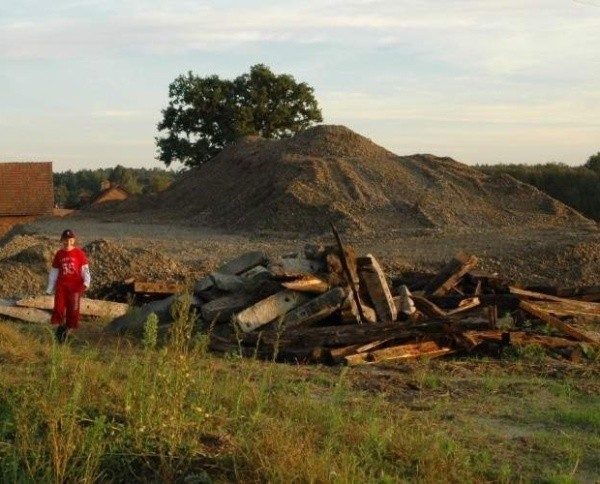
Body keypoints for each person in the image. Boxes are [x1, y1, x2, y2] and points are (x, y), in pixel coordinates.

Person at [46, 229, 91, 343]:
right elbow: (54, 271)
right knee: (59, 309)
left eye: (70, 240)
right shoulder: (59, 254)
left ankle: (67, 331)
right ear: (62, 240)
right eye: (65, 240)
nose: (68, 242)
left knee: (73, 311)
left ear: (74, 240)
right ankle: (60, 330)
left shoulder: (79, 253)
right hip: (62, 286)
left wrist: (87, 282)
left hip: (75, 287)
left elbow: (85, 270)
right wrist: (50, 287)